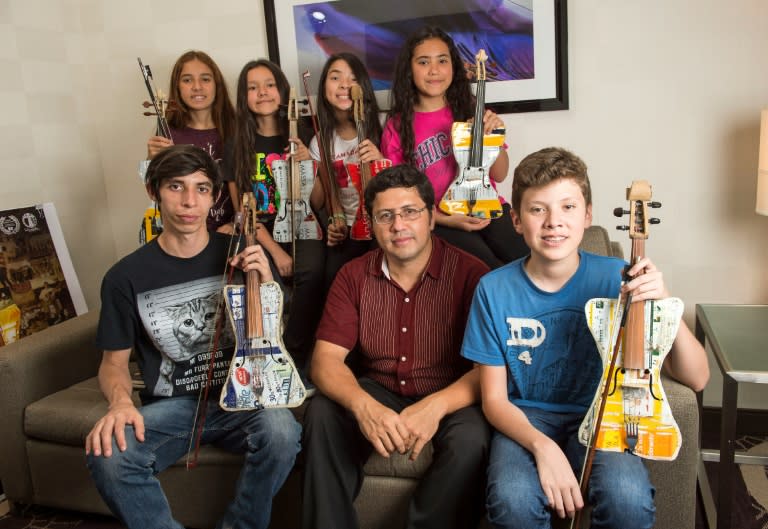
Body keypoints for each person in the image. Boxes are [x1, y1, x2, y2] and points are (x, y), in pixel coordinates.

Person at [459, 147, 710, 529]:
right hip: (525, 417)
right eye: (537, 209)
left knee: (628, 499)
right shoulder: (492, 289)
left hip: (605, 415)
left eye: (568, 207)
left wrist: (663, 300)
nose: (553, 222)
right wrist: (543, 448)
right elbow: (494, 400)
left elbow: (697, 378)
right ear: (516, 220)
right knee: (512, 501)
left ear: (588, 214)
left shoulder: (618, 278)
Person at [85, 145, 301, 529]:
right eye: (175, 187)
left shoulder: (243, 256)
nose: (189, 202)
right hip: (174, 408)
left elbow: (275, 341)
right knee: (109, 456)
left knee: (282, 431)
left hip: (244, 397)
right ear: (153, 191)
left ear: (215, 196)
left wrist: (267, 284)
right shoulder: (123, 278)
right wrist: (120, 403)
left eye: (202, 189)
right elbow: (113, 365)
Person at [302, 164, 491, 529]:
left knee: (473, 436)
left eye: (409, 212)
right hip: (380, 388)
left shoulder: (473, 275)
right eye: (385, 216)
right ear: (371, 225)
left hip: (449, 390)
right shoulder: (353, 275)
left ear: (432, 218)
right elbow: (325, 362)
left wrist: (434, 407)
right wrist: (364, 406)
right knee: (323, 414)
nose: (398, 226)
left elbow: (489, 371)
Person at [381, 26, 528, 269]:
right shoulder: (397, 126)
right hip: (441, 218)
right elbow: (399, 195)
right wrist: (447, 221)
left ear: (453, 67)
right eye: (423, 62)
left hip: (488, 205)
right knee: (485, 268)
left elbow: (499, 174)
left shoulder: (469, 109)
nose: (434, 70)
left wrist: (494, 138)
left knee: (528, 258)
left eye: (442, 60)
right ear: (410, 69)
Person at [222, 59, 326, 376]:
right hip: (259, 230)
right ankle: (268, 351)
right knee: (271, 278)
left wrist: (309, 163)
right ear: (244, 97)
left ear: (282, 90)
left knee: (314, 270)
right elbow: (243, 208)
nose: (262, 93)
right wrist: (276, 251)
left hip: (302, 223)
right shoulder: (236, 144)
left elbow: (319, 201)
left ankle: (292, 353)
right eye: (252, 88)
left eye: (269, 85)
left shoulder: (303, 133)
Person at [309, 52, 386, 289]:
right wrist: (336, 220)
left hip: (382, 224)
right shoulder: (319, 141)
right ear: (323, 88)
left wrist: (380, 160)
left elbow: (403, 180)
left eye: (353, 79)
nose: (345, 85)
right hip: (350, 229)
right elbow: (325, 199)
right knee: (333, 279)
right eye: (335, 78)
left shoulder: (382, 125)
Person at [146, 50, 237, 232]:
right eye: (187, 80)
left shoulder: (236, 130)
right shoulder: (168, 132)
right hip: (184, 234)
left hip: (227, 234)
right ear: (177, 87)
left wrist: (236, 224)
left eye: (205, 79)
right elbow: (154, 191)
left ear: (216, 85)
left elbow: (247, 188)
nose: (197, 87)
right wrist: (150, 161)